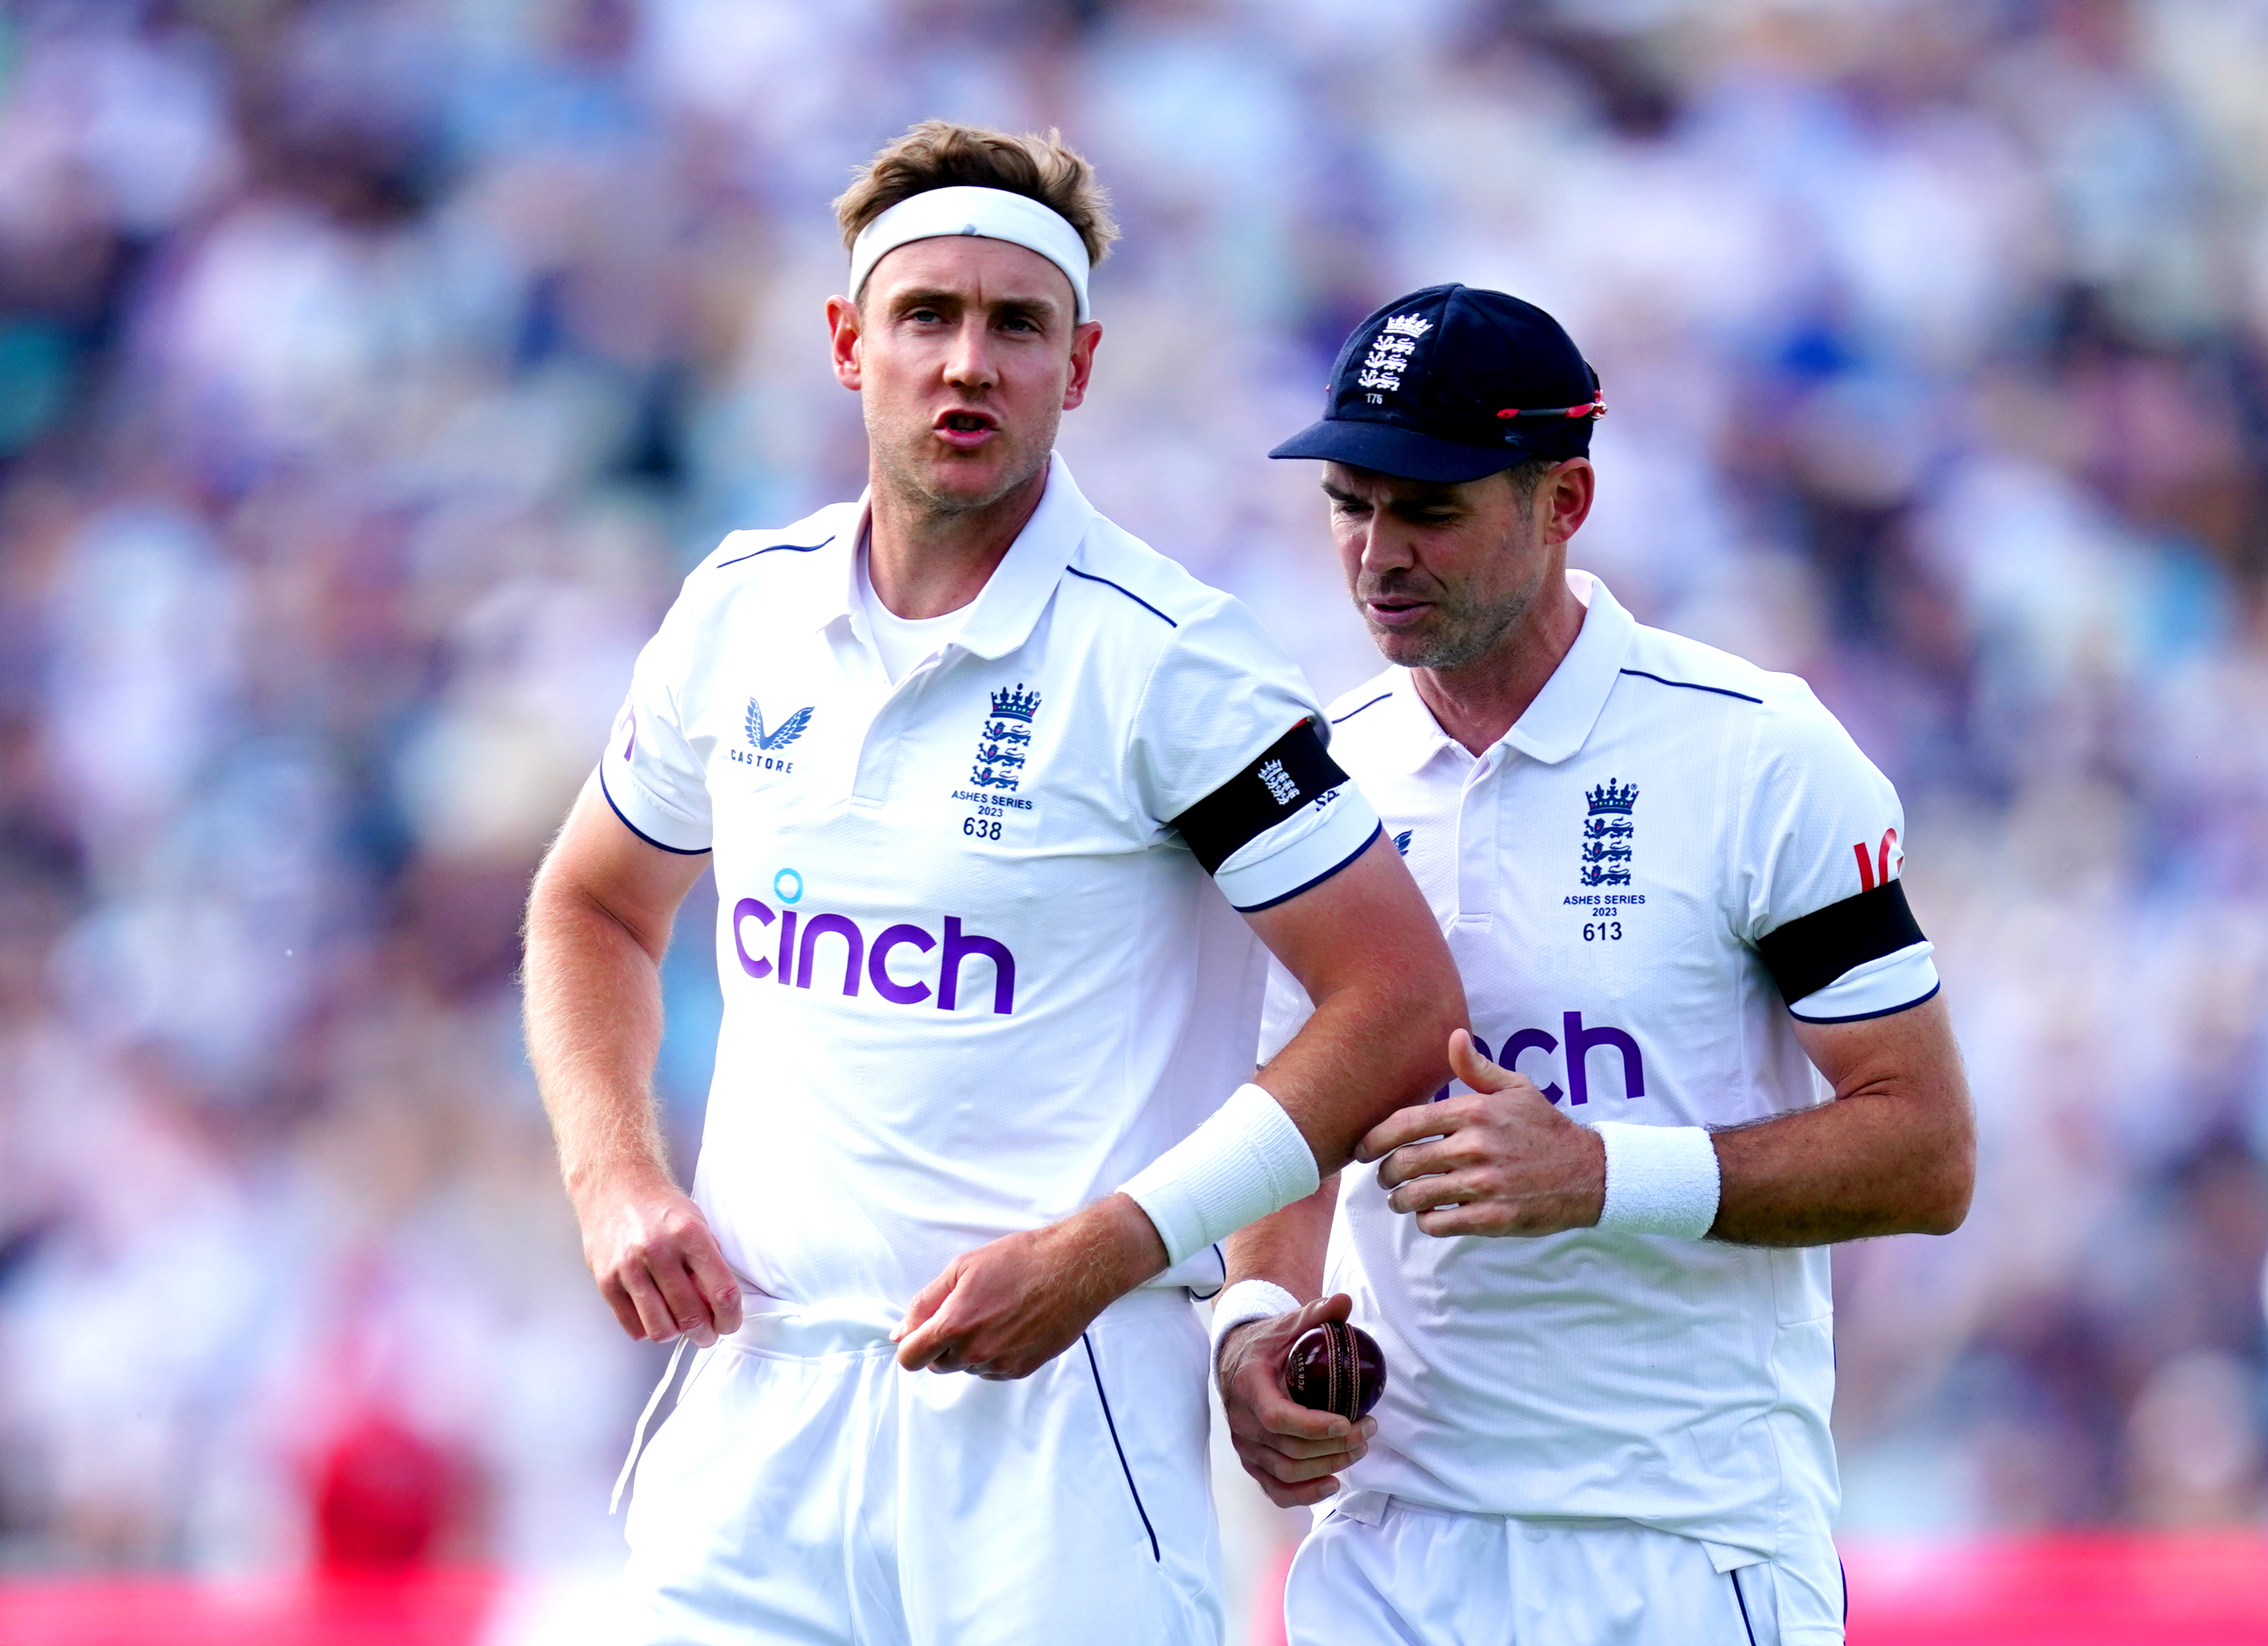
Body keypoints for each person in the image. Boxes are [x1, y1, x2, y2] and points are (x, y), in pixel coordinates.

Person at [519, 124, 1463, 1646]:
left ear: (1078, 366)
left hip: (1061, 1430)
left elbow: (1401, 1004)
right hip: (761, 1403)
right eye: (927, 317)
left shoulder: (1172, 660)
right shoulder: (739, 611)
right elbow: (594, 907)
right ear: (848, 343)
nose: (970, 363)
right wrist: (614, 1175)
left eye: (1017, 325)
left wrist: (1115, 1252)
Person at [1212, 284, 1976, 1646]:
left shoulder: (1758, 756)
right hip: (1388, 1551)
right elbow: (1298, 1124)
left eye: (1430, 509)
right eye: (1351, 502)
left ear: (1565, 499)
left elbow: (1925, 1151)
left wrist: (1599, 1176)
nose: (1378, 552)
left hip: (1682, 1549)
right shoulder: (1323, 778)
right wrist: (1258, 1326)